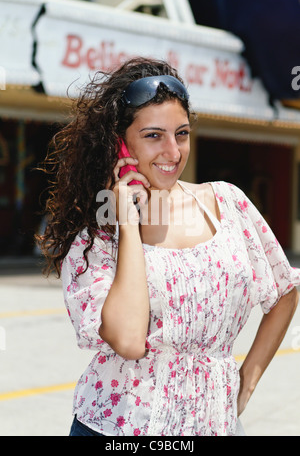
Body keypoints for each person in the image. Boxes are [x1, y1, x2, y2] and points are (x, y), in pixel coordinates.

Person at [36, 57, 299, 437]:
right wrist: (127, 222)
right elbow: (127, 341)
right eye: (153, 135)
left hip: (212, 426)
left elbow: (283, 292)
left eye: (182, 133)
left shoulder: (228, 204)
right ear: (119, 144)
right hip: (116, 429)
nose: (173, 152)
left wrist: (244, 386)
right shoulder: (98, 240)